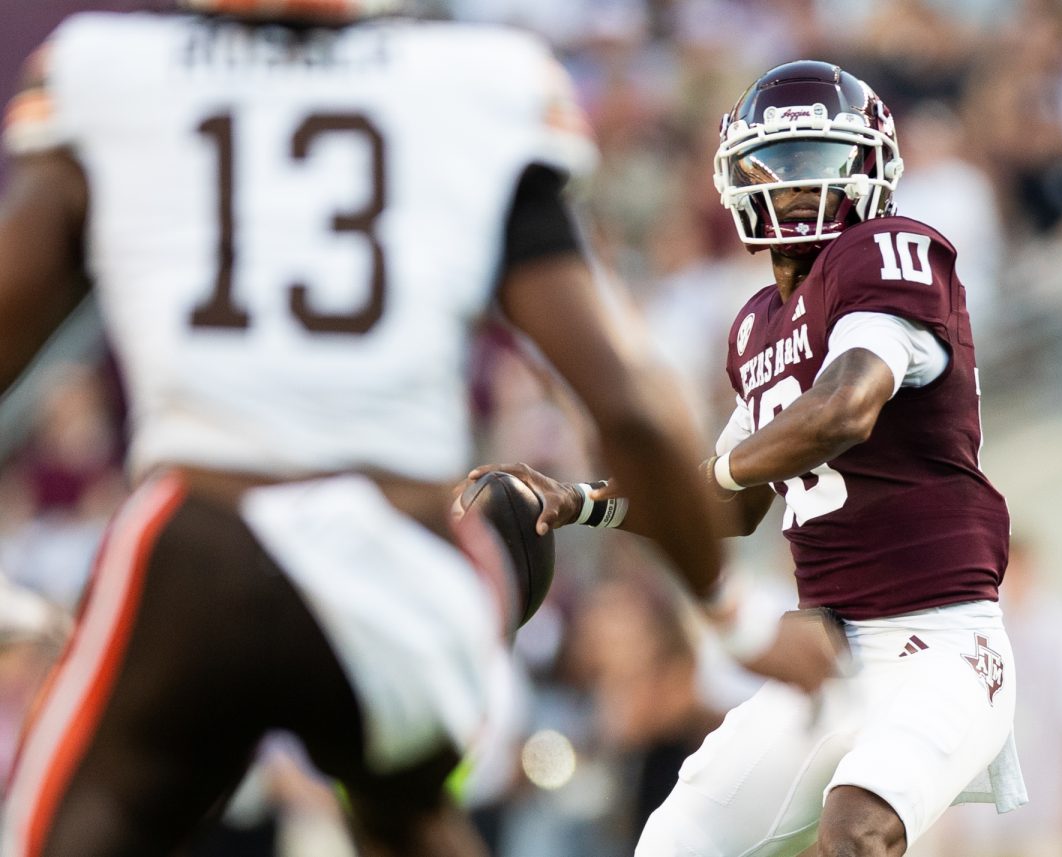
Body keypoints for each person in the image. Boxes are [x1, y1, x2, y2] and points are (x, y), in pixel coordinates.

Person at [0, 2, 825, 854]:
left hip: (203, 544)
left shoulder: (116, 72)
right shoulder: (476, 82)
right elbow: (631, 406)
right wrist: (735, 615)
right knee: (405, 810)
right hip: (400, 567)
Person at [468, 61, 1027, 856]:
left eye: (823, 161)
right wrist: (581, 500)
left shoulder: (888, 251)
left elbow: (844, 408)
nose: (801, 188)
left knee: (858, 829)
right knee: (674, 841)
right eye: (782, 165)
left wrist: (714, 475)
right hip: (827, 659)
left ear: (871, 169)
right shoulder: (756, 325)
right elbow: (727, 504)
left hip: (939, 642)